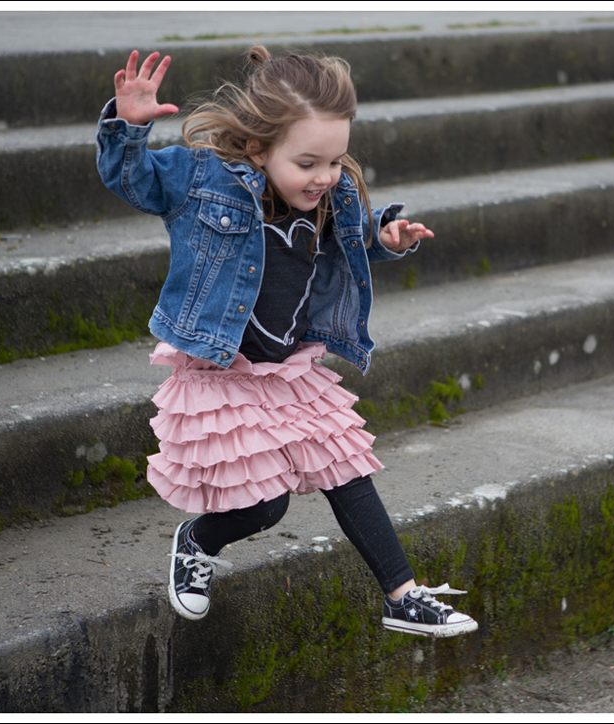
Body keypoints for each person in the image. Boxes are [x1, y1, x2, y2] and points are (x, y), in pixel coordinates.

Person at [96, 47, 477, 638]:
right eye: (307, 163)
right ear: (258, 147)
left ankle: (402, 597)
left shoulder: (330, 194)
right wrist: (128, 129)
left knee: (348, 470)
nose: (324, 176)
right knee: (264, 504)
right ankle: (197, 540)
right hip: (224, 372)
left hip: (287, 370)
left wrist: (385, 238)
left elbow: (348, 239)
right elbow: (134, 180)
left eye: (335, 160)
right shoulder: (204, 180)